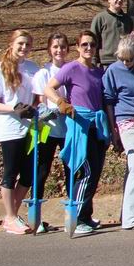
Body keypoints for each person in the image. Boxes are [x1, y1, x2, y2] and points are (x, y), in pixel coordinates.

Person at [44, 30, 109, 234]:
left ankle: (86, 215)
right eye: (84, 45)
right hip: (79, 124)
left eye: (92, 44)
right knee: (85, 170)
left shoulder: (99, 72)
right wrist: (61, 102)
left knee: (96, 171)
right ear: (78, 47)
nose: (88, 48)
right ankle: (75, 217)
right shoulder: (71, 68)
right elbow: (48, 88)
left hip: (97, 126)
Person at [0, 29, 39, 235]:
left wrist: (34, 107)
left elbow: (37, 95)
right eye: (20, 44)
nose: (24, 48)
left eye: (27, 44)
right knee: (11, 173)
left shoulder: (32, 68)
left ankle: (13, 215)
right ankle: (10, 217)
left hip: (30, 128)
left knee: (28, 174)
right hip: (9, 128)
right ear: (11, 44)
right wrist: (14, 108)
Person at [103, 33, 134, 230]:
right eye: (122, 59)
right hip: (125, 120)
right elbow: (108, 100)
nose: (126, 63)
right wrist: (113, 129)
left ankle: (127, 212)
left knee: (133, 167)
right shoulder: (113, 70)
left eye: (130, 59)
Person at [31, 32, 70, 233]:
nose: (59, 50)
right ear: (49, 49)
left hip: (68, 127)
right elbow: (39, 101)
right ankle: (35, 218)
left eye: (62, 46)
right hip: (47, 127)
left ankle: (73, 216)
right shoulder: (43, 73)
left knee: (71, 169)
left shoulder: (72, 69)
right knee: (42, 170)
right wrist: (53, 108)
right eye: (55, 47)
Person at [91, 0, 134, 68]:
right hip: (106, 63)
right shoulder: (100, 18)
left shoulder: (128, 20)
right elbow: (92, 41)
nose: (119, 0)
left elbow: (130, 42)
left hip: (124, 62)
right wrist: (93, 61)